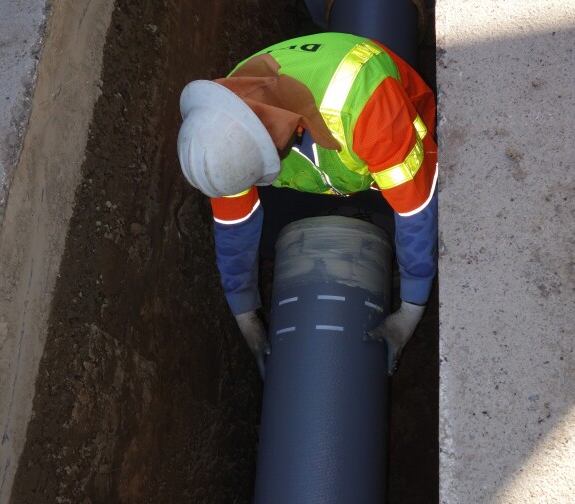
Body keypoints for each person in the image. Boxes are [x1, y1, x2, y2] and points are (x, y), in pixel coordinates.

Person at [177, 32, 437, 378]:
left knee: (409, 231)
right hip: (330, 163)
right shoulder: (228, 120)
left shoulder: (367, 106)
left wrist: (411, 310)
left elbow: (414, 212)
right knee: (266, 235)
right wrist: (245, 312)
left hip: (392, 154)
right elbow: (234, 227)